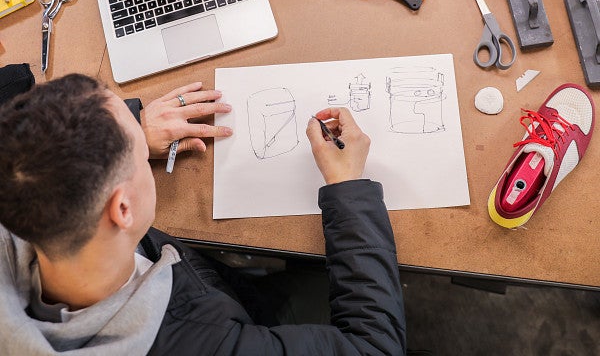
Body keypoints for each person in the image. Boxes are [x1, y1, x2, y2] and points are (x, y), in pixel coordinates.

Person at [0, 73, 406, 355]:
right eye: (140, 152)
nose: (145, 142)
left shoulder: (17, 187)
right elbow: (373, 348)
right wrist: (348, 188)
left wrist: (121, 137)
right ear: (122, 208)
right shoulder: (204, 344)